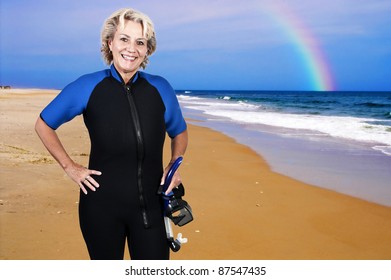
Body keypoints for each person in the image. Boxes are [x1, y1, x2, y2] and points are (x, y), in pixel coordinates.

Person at [35, 8, 188, 260]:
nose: (131, 48)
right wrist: (70, 167)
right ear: (110, 43)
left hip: (151, 208)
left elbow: (179, 132)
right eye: (124, 39)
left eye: (140, 42)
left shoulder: (160, 88)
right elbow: (44, 124)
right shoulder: (87, 86)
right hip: (101, 209)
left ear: (147, 49)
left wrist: (174, 163)